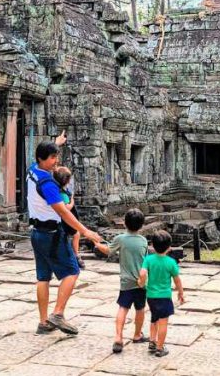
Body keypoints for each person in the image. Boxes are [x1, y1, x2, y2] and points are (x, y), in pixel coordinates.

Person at [27, 135, 102, 335]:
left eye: (56, 157)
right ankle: (58, 313)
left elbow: (42, 154)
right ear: (42, 159)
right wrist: (85, 231)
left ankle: (43, 322)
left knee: (43, 277)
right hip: (52, 234)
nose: (56, 162)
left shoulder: (33, 170)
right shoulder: (48, 185)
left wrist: (56, 143)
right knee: (73, 271)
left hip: (36, 234)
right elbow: (63, 212)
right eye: (52, 158)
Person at [92, 208, 149, 353]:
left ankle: (118, 337)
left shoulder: (121, 239)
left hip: (126, 282)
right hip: (141, 282)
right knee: (140, 309)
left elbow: (108, 251)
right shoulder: (143, 241)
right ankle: (137, 334)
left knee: (123, 308)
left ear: (124, 223)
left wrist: (97, 244)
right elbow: (146, 262)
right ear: (142, 225)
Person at [138, 230, 185, 357]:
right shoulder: (171, 262)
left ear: (152, 245)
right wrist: (180, 293)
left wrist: (142, 282)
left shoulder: (148, 259)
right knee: (163, 322)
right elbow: (177, 280)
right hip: (164, 296)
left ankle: (152, 341)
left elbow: (142, 273)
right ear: (169, 247)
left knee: (154, 318)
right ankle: (160, 347)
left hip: (151, 296)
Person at [53, 166, 85, 269]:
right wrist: (72, 201)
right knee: (76, 234)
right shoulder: (63, 193)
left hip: (61, 220)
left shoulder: (58, 189)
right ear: (67, 180)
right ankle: (76, 254)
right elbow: (66, 208)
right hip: (66, 219)